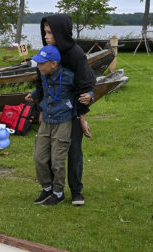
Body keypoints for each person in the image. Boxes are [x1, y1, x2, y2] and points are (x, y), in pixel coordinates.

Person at [26, 14, 95, 206]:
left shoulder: (75, 54)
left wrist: (82, 116)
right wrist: (40, 104)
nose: (46, 36)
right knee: (47, 152)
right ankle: (50, 189)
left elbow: (85, 84)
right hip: (51, 111)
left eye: (50, 32)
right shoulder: (47, 52)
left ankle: (76, 190)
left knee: (73, 151)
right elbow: (41, 80)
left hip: (73, 108)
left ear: (61, 32)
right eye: (45, 32)